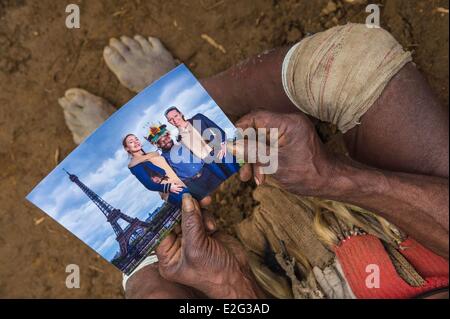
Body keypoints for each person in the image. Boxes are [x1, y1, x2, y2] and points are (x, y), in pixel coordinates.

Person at [59, 23, 448, 299]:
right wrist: (334, 178)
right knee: (350, 64)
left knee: (155, 286)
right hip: (425, 253)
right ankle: (191, 102)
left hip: (274, 286)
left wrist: (232, 286)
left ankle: (137, 152)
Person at [147, 124, 228, 202]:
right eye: (162, 141)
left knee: (225, 191)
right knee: (211, 201)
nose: (166, 141)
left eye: (166, 138)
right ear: (158, 145)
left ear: (169, 136)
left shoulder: (183, 143)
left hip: (206, 172)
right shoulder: (163, 159)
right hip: (193, 184)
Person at [164, 106, 240, 177]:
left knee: (238, 172)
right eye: (170, 119)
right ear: (169, 122)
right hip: (209, 164)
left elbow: (219, 130)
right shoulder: (179, 139)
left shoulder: (198, 118)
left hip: (220, 152)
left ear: (180, 113)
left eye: (176, 116)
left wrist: (223, 145)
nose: (174, 120)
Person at [123, 133, 187, 206]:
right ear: (127, 148)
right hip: (172, 190)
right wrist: (169, 187)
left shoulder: (153, 154)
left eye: (136, 139)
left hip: (181, 183)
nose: (135, 142)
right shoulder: (135, 164)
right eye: (131, 142)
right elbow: (149, 184)